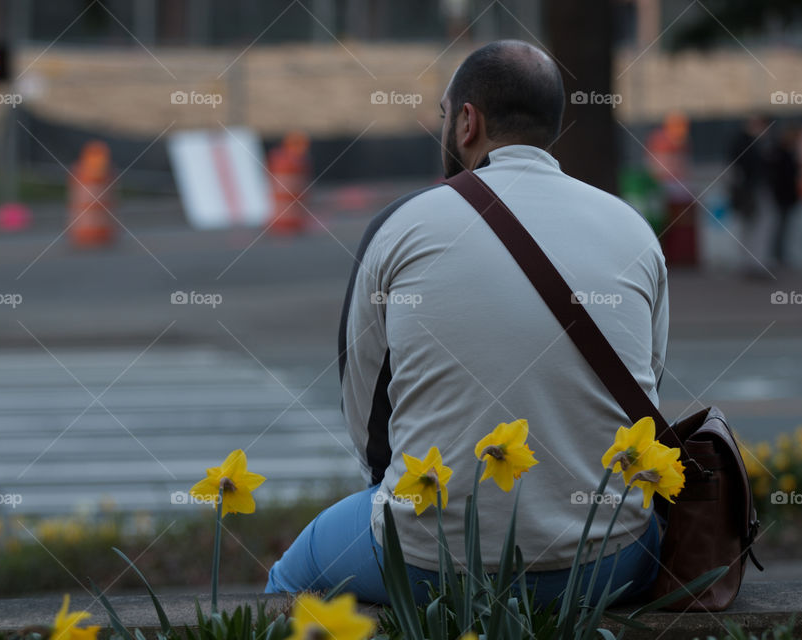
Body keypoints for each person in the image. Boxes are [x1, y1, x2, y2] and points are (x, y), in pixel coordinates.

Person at [265, 40, 667, 607]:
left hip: (427, 557)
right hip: (606, 560)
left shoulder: (401, 226)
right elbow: (644, 391)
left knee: (290, 582)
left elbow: (364, 413)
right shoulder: (633, 231)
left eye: (445, 115)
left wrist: (402, 489)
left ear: (467, 121)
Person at [727, 115, 774, 276]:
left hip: (752, 191)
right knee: (751, 227)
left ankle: (753, 262)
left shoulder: (746, 141)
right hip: (749, 192)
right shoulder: (747, 142)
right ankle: (752, 263)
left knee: (754, 227)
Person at [766, 126, 801, 267]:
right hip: (782, 197)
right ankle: (776, 256)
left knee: (782, 228)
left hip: (786, 197)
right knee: (778, 227)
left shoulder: (786, 153)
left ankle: (778, 255)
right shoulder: (781, 154)